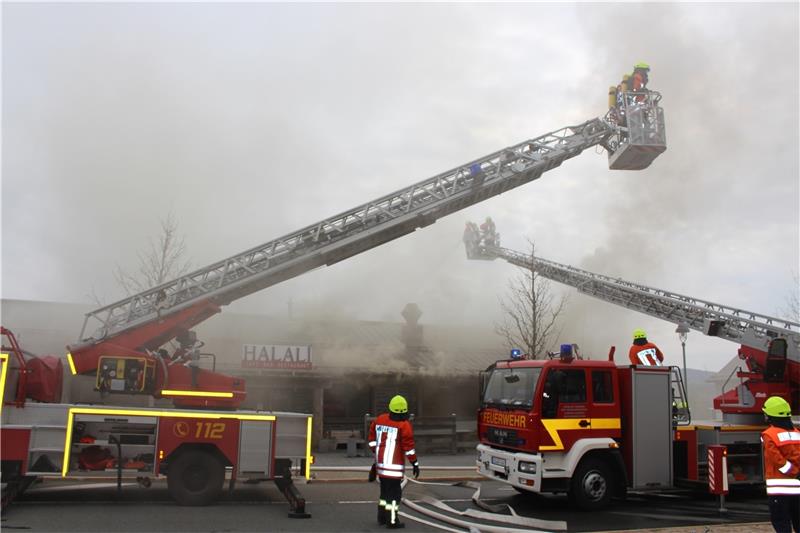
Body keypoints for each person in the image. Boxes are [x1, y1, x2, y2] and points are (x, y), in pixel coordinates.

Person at [368, 395, 419, 529]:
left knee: (384, 494)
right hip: (394, 469)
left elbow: (372, 436)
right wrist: (415, 463)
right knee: (394, 496)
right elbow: (409, 448)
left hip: (381, 466)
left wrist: (375, 450)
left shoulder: (380, 419)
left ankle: (382, 517)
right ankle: (392, 521)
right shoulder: (404, 425)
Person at [761, 396, 800, 533]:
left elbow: (777, 460)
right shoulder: (797, 433)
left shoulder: (769, 435)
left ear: (769, 415)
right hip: (798, 489)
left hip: (779, 490)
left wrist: (793, 472)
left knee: (781, 523)